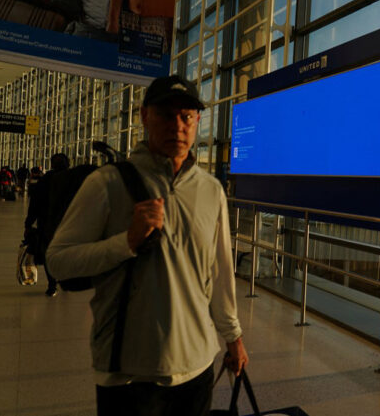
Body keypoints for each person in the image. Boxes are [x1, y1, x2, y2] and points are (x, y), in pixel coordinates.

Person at [46, 75, 248, 416]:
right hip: (129, 374)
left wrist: (233, 337)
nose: (177, 126)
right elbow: (58, 261)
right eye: (166, 115)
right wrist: (126, 242)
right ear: (144, 116)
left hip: (197, 366)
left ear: (197, 120)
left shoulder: (210, 191)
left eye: (186, 117)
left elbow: (219, 273)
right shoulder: (107, 183)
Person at [25, 153, 70, 297]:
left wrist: (28, 223)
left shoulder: (44, 181)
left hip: (47, 224)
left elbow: (34, 204)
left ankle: (52, 284)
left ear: (52, 165)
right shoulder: (72, 180)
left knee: (48, 253)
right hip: (68, 224)